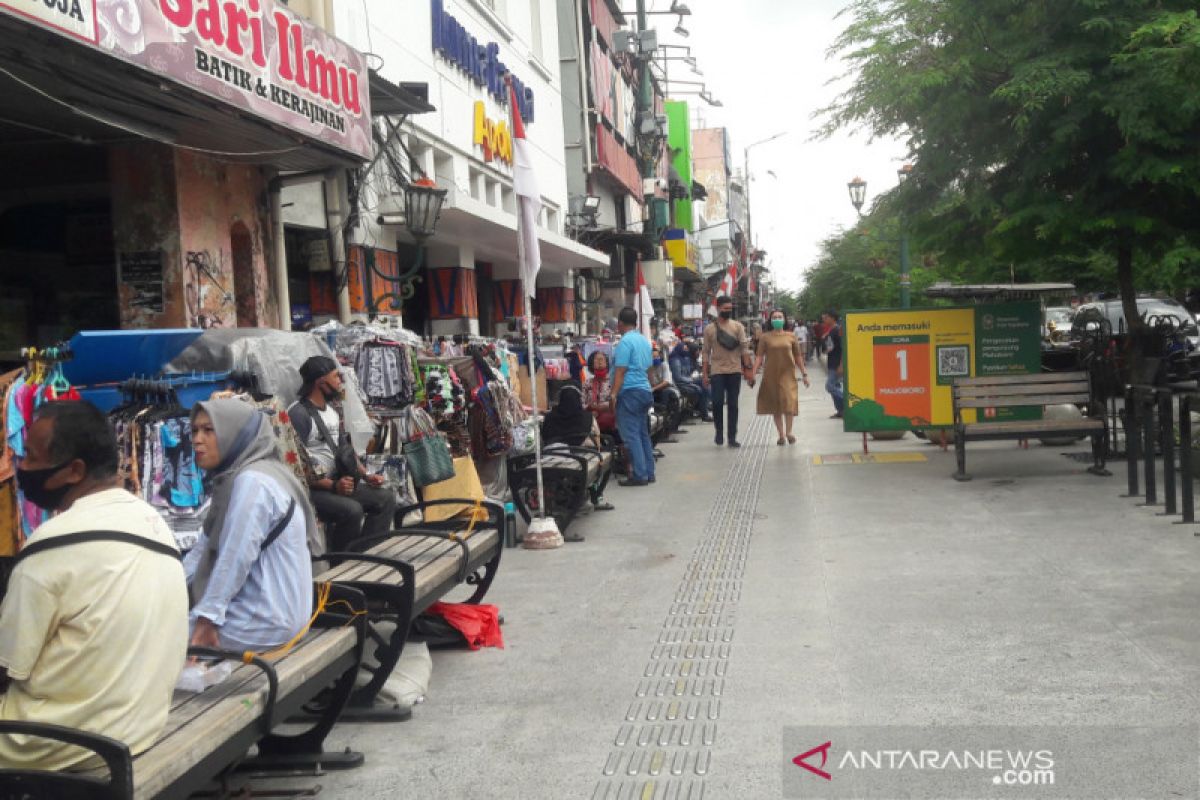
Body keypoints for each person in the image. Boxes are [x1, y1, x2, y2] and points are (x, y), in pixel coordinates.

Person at [0, 401, 188, 769]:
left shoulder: (50, 547)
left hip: (61, 742)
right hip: (139, 727)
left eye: (32, 458)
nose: (20, 467)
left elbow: (7, 666)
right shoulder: (152, 522)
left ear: (74, 471)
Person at [187, 399, 316, 653]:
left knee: (151, 636)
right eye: (194, 431)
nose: (197, 440)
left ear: (234, 434)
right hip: (273, 615)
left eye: (209, 430)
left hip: (266, 620)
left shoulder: (253, 482)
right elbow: (202, 549)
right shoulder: (246, 476)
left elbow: (236, 554)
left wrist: (208, 617)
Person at [289, 356, 396, 551]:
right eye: (336, 376)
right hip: (313, 490)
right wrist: (332, 485)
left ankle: (365, 554)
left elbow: (345, 449)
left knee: (385, 498)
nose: (340, 381)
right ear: (320, 382)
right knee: (352, 510)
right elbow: (294, 467)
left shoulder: (331, 412)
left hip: (338, 484)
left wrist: (366, 475)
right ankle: (341, 564)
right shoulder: (299, 415)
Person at [610, 306, 656, 486]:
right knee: (643, 434)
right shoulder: (644, 341)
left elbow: (620, 371)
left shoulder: (625, 343)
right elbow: (649, 368)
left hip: (630, 392)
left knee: (632, 435)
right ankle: (649, 472)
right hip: (644, 391)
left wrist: (613, 395)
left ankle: (639, 475)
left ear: (620, 324)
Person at [753, 310, 810, 445]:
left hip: (788, 374)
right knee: (776, 405)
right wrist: (753, 373)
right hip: (771, 375)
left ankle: (789, 432)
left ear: (784, 319)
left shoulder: (791, 336)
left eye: (780, 317)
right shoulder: (765, 337)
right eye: (774, 317)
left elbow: (798, 356)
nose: (777, 319)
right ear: (770, 320)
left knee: (789, 402)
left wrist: (804, 374)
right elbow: (759, 357)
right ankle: (781, 435)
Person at [702, 296, 751, 448]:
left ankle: (731, 437)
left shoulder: (738, 327)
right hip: (717, 371)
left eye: (730, 309)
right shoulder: (709, 329)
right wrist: (705, 374)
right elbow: (705, 352)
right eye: (725, 309)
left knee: (733, 404)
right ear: (718, 309)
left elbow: (744, 349)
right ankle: (719, 431)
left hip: (734, 370)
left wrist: (748, 370)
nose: (728, 311)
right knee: (716, 403)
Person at [669, 337, 711, 421]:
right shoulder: (675, 361)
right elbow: (678, 378)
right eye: (684, 349)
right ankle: (704, 413)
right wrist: (690, 379)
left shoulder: (685, 358)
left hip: (687, 380)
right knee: (701, 387)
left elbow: (688, 372)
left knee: (705, 384)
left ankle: (704, 410)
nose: (686, 350)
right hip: (681, 384)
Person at [649, 340, 683, 436]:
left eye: (657, 356)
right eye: (653, 357)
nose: (655, 358)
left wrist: (654, 388)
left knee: (667, 393)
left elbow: (666, 382)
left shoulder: (664, 365)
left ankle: (669, 424)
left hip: (665, 389)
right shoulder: (648, 367)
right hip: (652, 390)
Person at [583, 350, 616, 433]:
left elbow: (617, 401)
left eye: (602, 359)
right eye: (596, 360)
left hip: (610, 421)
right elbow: (581, 402)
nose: (599, 362)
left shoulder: (613, 382)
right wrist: (589, 408)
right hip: (590, 421)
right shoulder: (587, 383)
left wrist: (600, 408)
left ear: (607, 363)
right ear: (592, 364)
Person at [821, 310, 845, 418]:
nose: (824, 319)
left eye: (826, 317)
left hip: (836, 364)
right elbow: (831, 347)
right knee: (835, 386)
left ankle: (848, 402)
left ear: (832, 318)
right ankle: (841, 411)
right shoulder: (831, 330)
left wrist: (841, 365)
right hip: (831, 362)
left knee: (830, 386)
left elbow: (843, 348)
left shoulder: (838, 330)